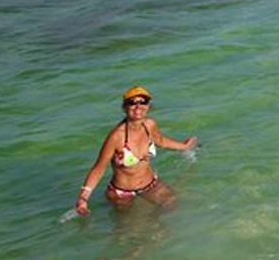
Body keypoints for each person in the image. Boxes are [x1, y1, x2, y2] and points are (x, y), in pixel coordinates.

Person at [74, 86, 198, 216]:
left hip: (150, 184)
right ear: (124, 107)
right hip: (122, 193)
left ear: (148, 106)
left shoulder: (149, 125)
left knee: (171, 204)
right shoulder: (116, 136)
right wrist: (83, 198)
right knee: (131, 228)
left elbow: (161, 141)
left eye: (143, 102)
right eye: (132, 103)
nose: (138, 107)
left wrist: (185, 147)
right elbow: (99, 169)